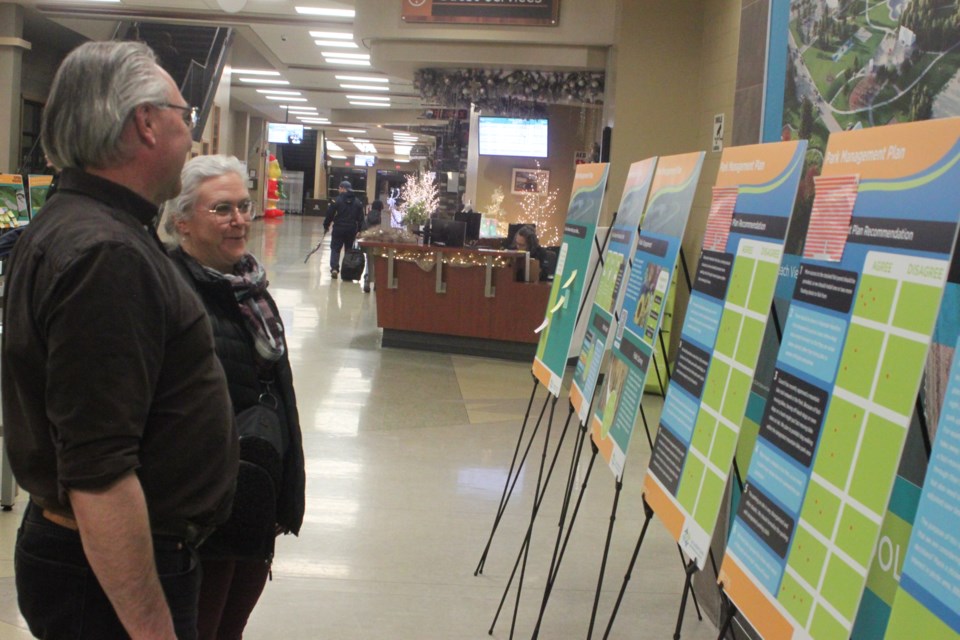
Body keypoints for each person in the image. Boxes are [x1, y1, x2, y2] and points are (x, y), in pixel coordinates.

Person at [1, 41, 238, 639]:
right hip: (106, 576)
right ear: (146, 123)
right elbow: (98, 470)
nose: (192, 135)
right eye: (186, 117)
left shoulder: (77, 222)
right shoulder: (106, 254)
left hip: (93, 563)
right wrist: (152, 629)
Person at [162, 154, 306, 640]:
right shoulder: (170, 292)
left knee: (229, 628)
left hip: (254, 496)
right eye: (221, 210)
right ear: (182, 221)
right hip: (202, 517)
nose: (240, 220)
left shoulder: (251, 290)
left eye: (244, 206)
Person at [323, 180, 364, 278]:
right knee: (348, 250)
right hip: (351, 229)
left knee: (335, 248)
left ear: (343, 188)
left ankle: (334, 269)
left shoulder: (336, 200)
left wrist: (326, 225)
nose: (338, 190)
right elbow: (361, 218)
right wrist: (359, 230)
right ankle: (347, 269)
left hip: (338, 228)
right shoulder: (358, 202)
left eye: (339, 188)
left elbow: (329, 215)